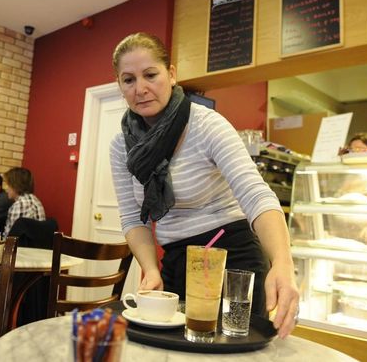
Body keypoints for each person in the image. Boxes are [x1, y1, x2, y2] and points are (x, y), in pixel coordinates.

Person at [108, 33, 299, 339]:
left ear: (171, 74)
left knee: (233, 353)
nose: (140, 89)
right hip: (176, 261)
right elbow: (132, 217)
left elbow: (255, 194)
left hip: (232, 257)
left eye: (150, 75)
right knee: (174, 351)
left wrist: (282, 262)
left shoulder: (206, 124)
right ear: (119, 85)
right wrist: (150, 270)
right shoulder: (121, 145)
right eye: (128, 79)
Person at [2, 167, 45, 237]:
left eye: (8, 184)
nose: (6, 188)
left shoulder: (20, 205)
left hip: (21, 247)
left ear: (15, 185)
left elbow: (10, 239)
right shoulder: (35, 200)